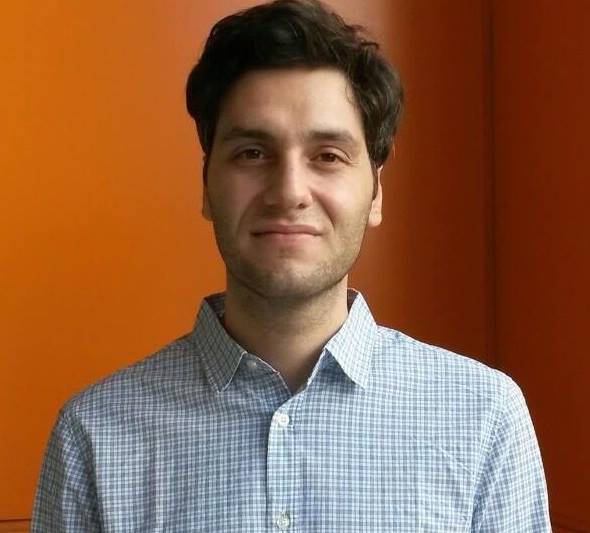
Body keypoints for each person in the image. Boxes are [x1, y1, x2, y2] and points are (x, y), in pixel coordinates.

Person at [32, 0, 551, 531]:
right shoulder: (95, 435)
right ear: (207, 185)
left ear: (375, 192)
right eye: (253, 153)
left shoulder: (483, 419)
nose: (288, 192)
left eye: (328, 156)